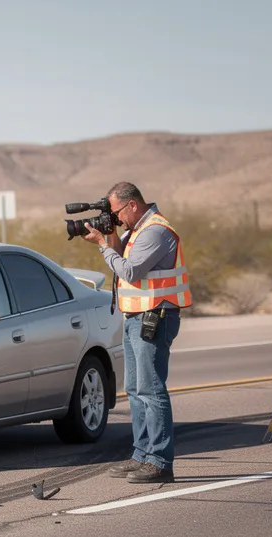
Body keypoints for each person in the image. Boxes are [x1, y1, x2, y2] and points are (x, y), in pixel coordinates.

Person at [81, 182, 192, 483]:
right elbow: (125, 259)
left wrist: (103, 246)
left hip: (154, 318)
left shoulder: (155, 230)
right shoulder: (137, 230)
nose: (116, 218)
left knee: (151, 389)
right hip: (136, 317)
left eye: (117, 212)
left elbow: (130, 271)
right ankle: (142, 454)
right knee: (134, 389)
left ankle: (159, 462)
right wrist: (110, 237)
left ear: (132, 205)